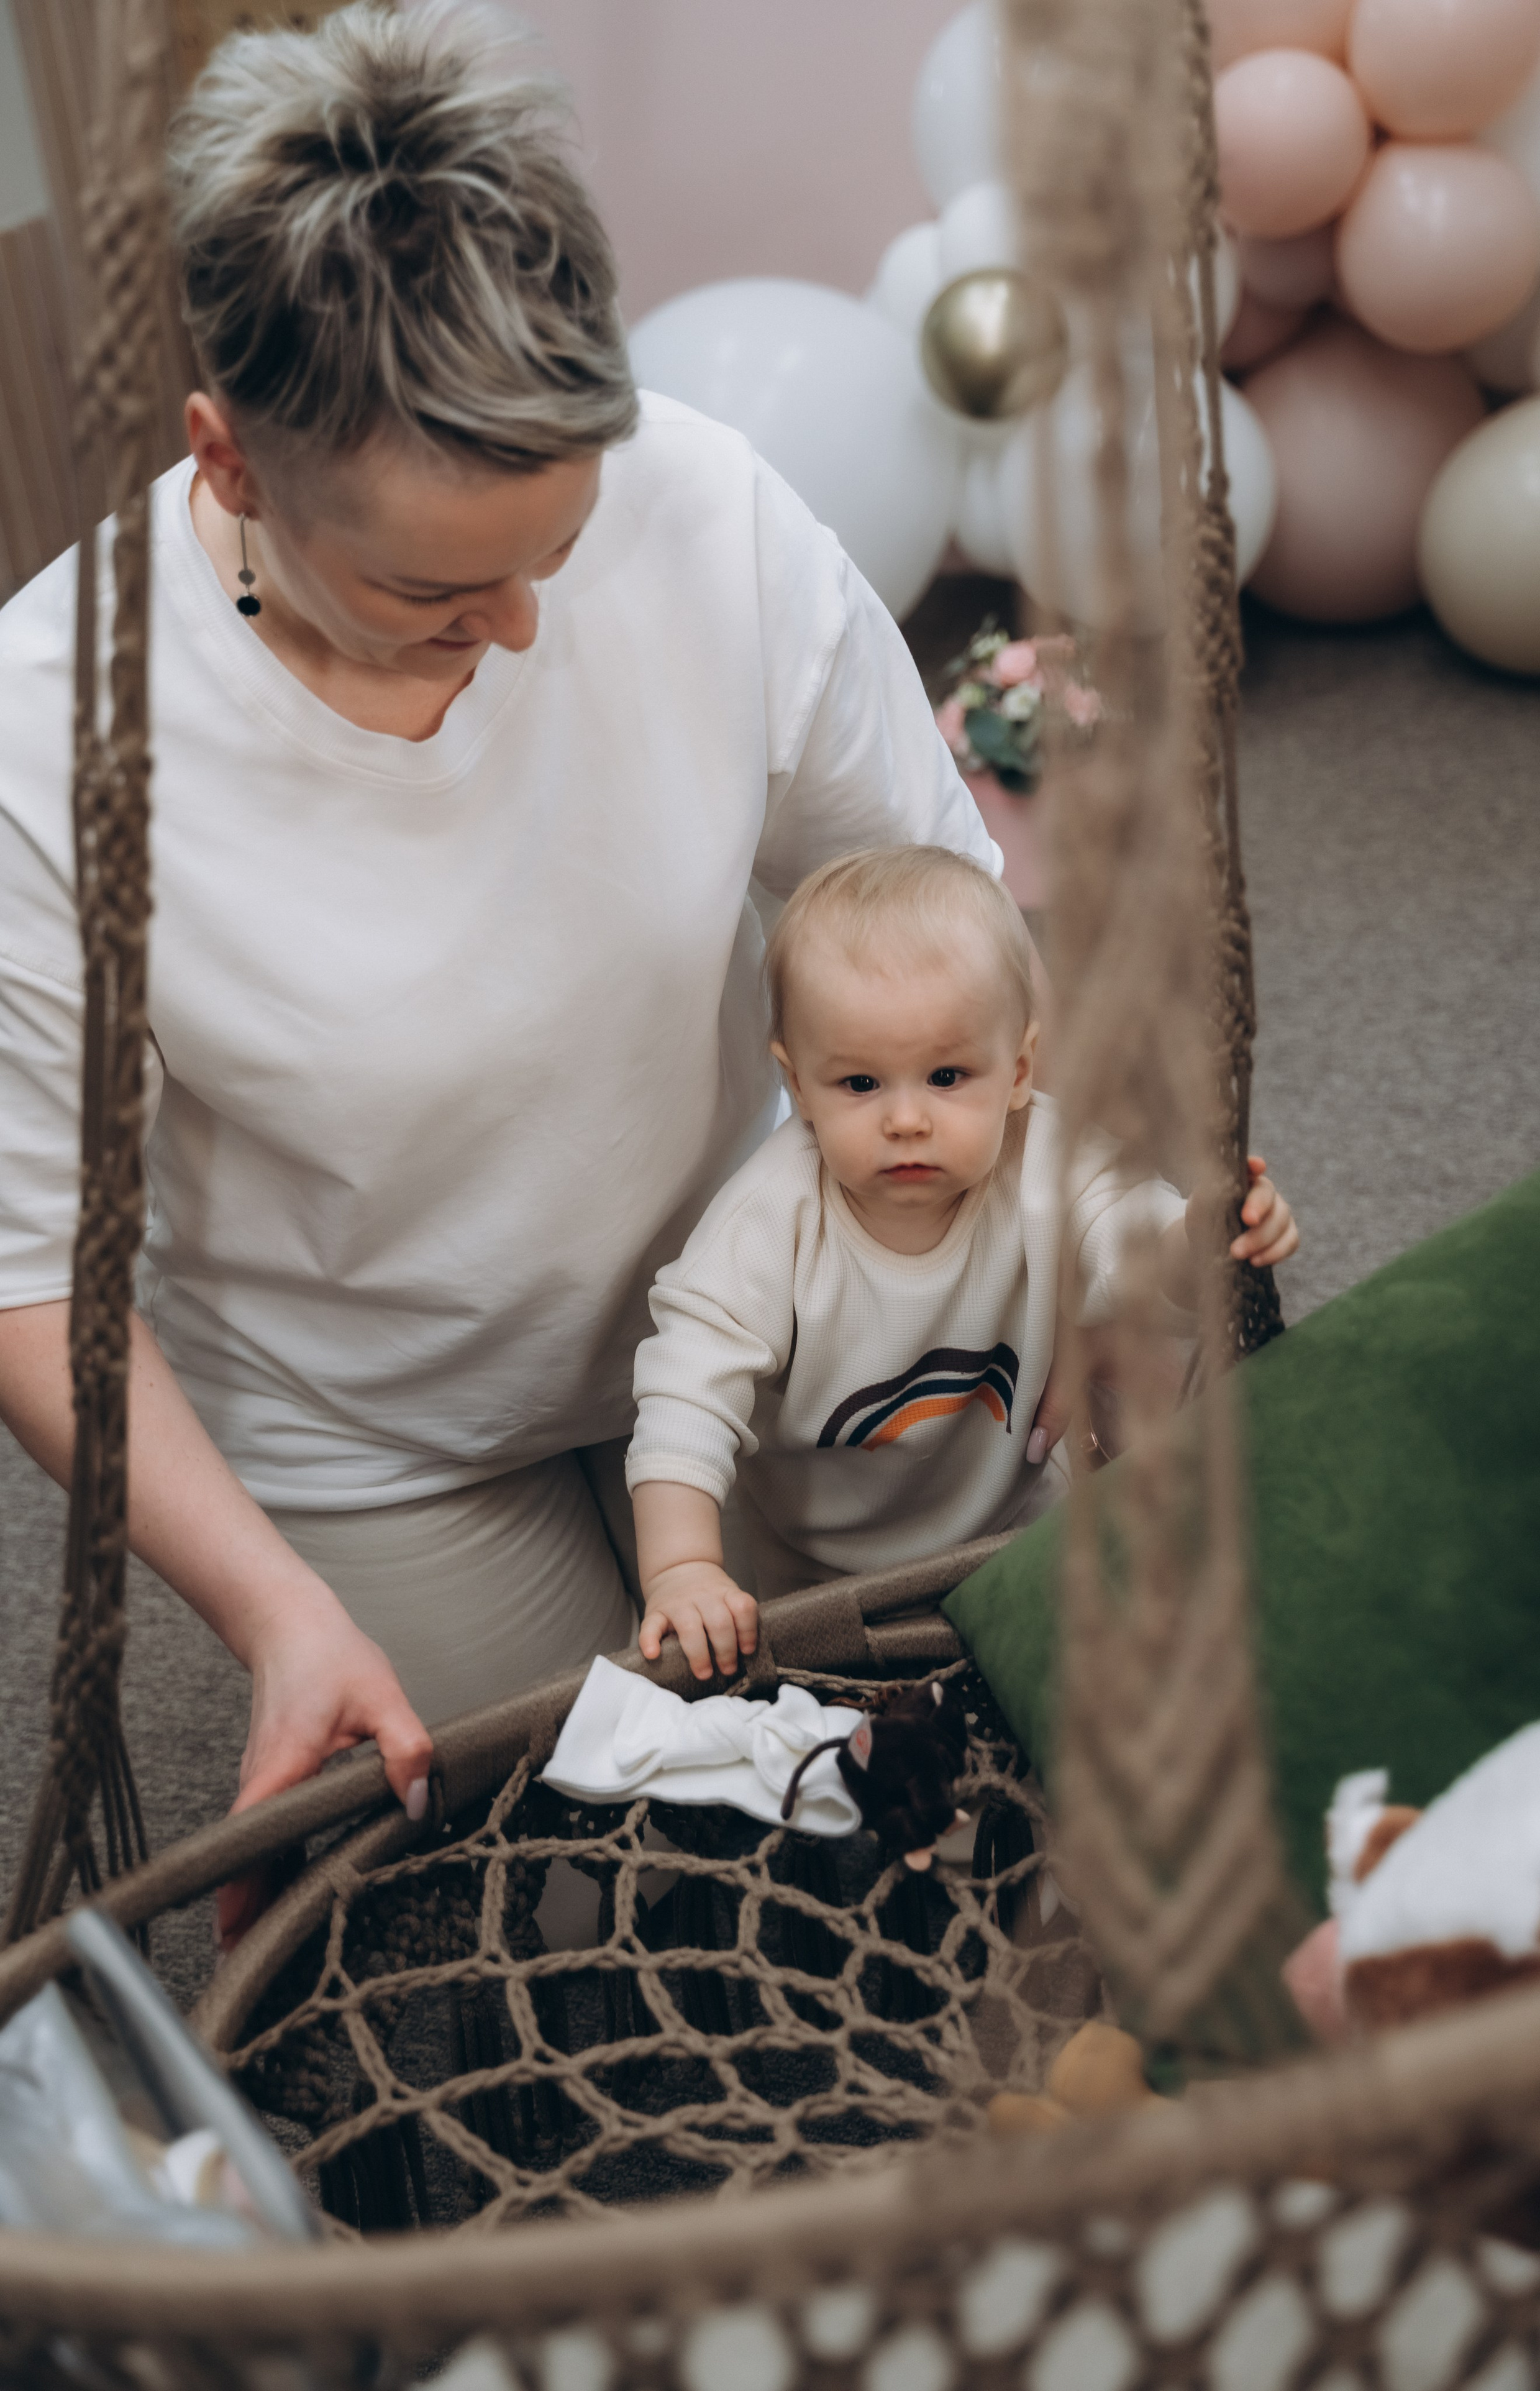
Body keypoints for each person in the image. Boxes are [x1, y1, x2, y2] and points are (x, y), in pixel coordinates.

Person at [0, 1, 1000, 1929]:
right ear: (229, 461)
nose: (530, 626)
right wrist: (276, 1610)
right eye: (439, 594)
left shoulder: (703, 502)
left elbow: (922, 904)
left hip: (760, 1279)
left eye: (562, 539)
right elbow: (32, 1278)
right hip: (386, 1426)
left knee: (897, 1783)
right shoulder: (55, 746)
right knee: (584, 1884)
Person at [627, 846, 1300, 1680]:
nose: (906, 1118)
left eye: (948, 1076)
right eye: (861, 1084)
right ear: (798, 1085)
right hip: (825, 1582)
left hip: (1023, 1531)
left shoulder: (1050, 1158)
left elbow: (1127, 1241)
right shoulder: (771, 1222)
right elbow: (685, 1392)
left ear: (1018, 1071)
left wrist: (1201, 1238)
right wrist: (682, 1567)